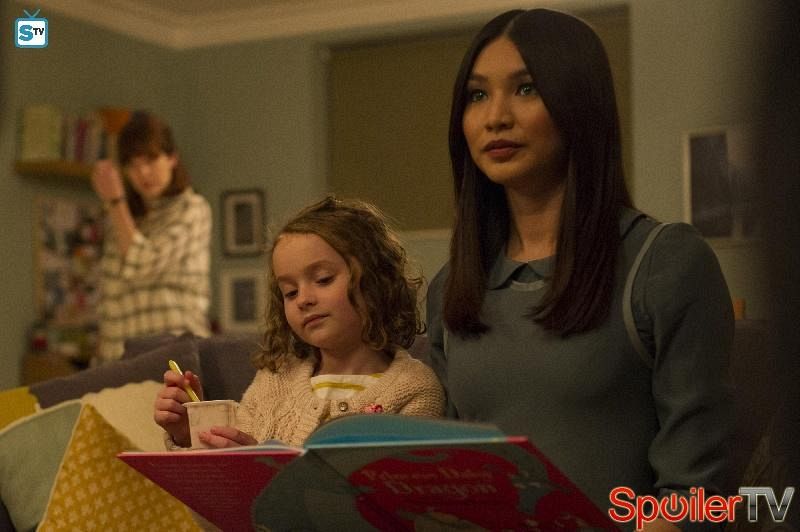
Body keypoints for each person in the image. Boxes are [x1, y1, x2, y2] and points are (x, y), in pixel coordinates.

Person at [426, 8, 734, 530]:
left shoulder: (665, 262)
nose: (495, 116)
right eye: (476, 95)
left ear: (579, 104)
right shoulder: (451, 288)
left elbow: (699, 495)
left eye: (526, 89)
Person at [155, 196, 444, 448]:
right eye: (290, 292)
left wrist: (267, 468)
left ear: (375, 281)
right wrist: (189, 433)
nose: (303, 299)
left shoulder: (415, 389)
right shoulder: (273, 381)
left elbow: (400, 488)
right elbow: (224, 480)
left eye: (323, 279)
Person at [90, 111, 211, 363]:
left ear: (172, 158)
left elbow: (142, 262)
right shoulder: (123, 221)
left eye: (151, 160)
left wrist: (115, 202)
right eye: (133, 165)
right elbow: (110, 298)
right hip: (120, 361)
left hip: (175, 358)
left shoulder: (192, 209)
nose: (143, 172)